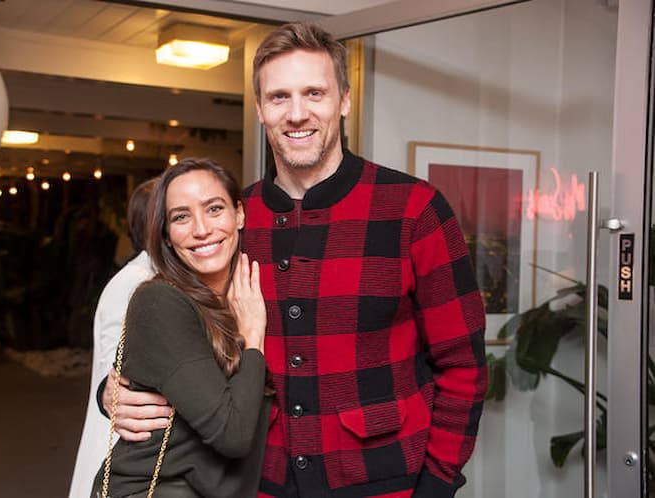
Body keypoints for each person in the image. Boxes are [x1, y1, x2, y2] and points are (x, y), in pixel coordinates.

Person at [101, 22, 487, 498]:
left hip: (387, 481)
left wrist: (438, 483)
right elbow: (171, 320)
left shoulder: (414, 210)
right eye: (280, 97)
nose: (297, 113)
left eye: (314, 93)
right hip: (261, 482)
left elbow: (463, 366)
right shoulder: (230, 223)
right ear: (261, 109)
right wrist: (113, 391)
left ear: (343, 100)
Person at [90, 158, 272, 498]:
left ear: (240, 214)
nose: (201, 229)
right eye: (181, 217)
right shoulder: (159, 301)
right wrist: (253, 338)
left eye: (214, 209)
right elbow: (232, 434)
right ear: (167, 237)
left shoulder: (246, 292)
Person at [69, 178, 165, 498]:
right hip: (122, 452)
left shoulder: (159, 278)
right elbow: (116, 377)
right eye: (178, 215)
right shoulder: (134, 282)